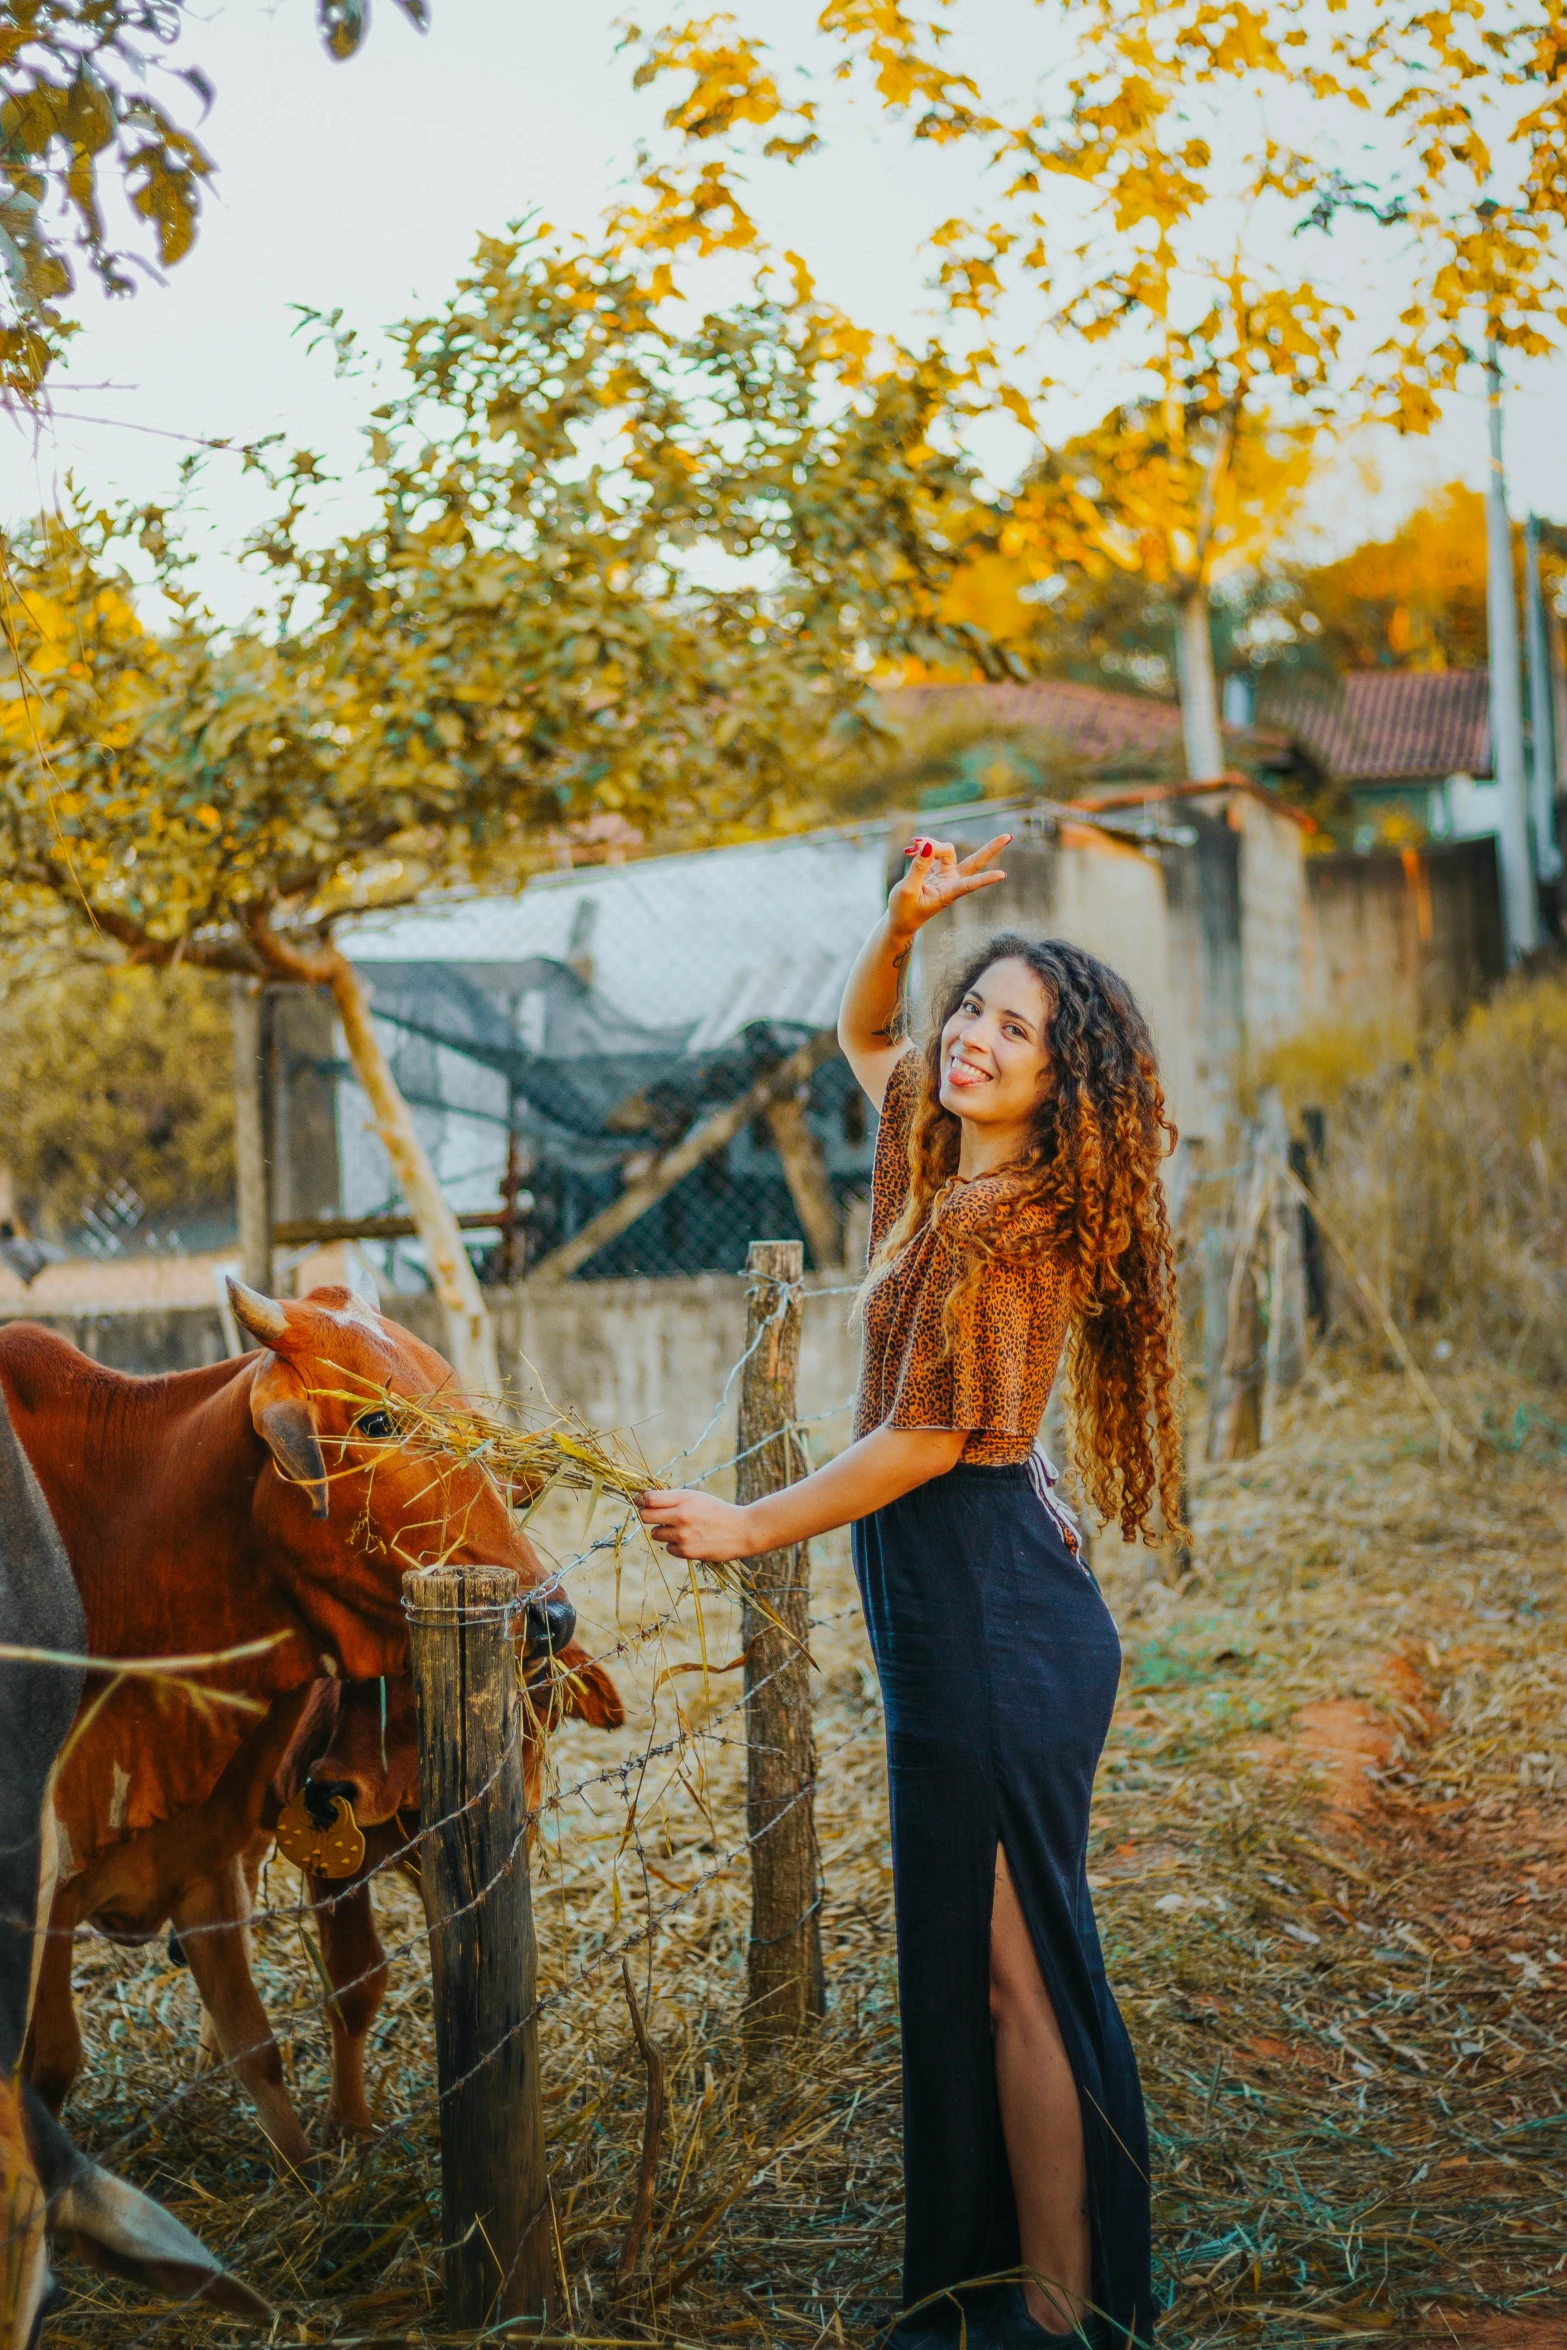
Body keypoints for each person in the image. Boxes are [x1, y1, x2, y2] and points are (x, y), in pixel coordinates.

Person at [638, 834, 1183, 2349]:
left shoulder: (1003, 1224)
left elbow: (931, 1438)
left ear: (1059, 1080)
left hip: (994, 1611)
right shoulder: (944, 1168)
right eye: (975, 1008)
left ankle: (1061, 2311)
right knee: (977, 1960)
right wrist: (901, 923)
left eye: (1014, 1028)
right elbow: (862, 1034)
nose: (971, 1036)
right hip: (961, 1603)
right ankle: (996, 2284)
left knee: (1017, 1980)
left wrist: (751, 1527)